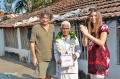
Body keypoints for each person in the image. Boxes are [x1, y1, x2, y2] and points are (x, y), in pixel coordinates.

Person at [80, 8, 110, 79]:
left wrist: (87, 34)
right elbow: (84, 44)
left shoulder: (103, 27)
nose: (93, 17)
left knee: (98, 77)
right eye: (91, 16)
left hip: (101, 58)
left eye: (95, 16)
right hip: (92, 58)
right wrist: (84, 33)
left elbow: (101, 43)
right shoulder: (90, 29)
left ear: (99, 16)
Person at [30, 8, 56, 79]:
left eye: (47, 18)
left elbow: (54, 40)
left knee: (49, 77)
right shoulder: (35, 28)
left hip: (51, 58)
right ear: (40, 17)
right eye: (43, 17)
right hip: (40, 58)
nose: (45, 20)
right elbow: (32, 43)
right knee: (41, 77)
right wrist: (34, 57)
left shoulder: (52, 27)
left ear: (50, 18)